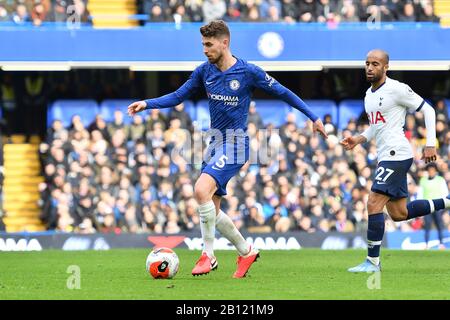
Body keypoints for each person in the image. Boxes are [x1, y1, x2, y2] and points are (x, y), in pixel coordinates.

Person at [128, 20, 327, 278]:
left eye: (209, 45)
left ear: (225, 43)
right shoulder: (204, 72)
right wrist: (147, 103)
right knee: (213, 209)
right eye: (203, 45)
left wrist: (313, 117)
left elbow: (284, 93)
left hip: (236, 143)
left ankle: (208, 256)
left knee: (200, 190)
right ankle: (246, 252)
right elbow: (178, 96)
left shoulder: (248, 72)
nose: (204, 50)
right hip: (214, 144)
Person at [340, 49, 450, 273]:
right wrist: (359, 139)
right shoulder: (369, 95)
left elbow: (428, 110)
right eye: (367, 63)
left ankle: (372, 263)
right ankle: (447, 202)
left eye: (376, 64)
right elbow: (376, 126)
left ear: (386, 67)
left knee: (373, 203)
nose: (370, 68)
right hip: (386, 155)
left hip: (396, 154)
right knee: (399, 214)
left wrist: (430, 143)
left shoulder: (397, 89)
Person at [420, 163, 448, 249]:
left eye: (432, 170)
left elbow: (445, 193)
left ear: (435, 171)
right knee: (427, 225)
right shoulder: (423, 180)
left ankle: (441, 243)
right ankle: (426, 244)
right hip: (427, 206)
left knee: (439, 225)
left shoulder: (440, 180)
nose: (431, 171)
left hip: (437, 206)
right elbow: (420, 194)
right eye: (429, 170)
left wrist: (443, 205)